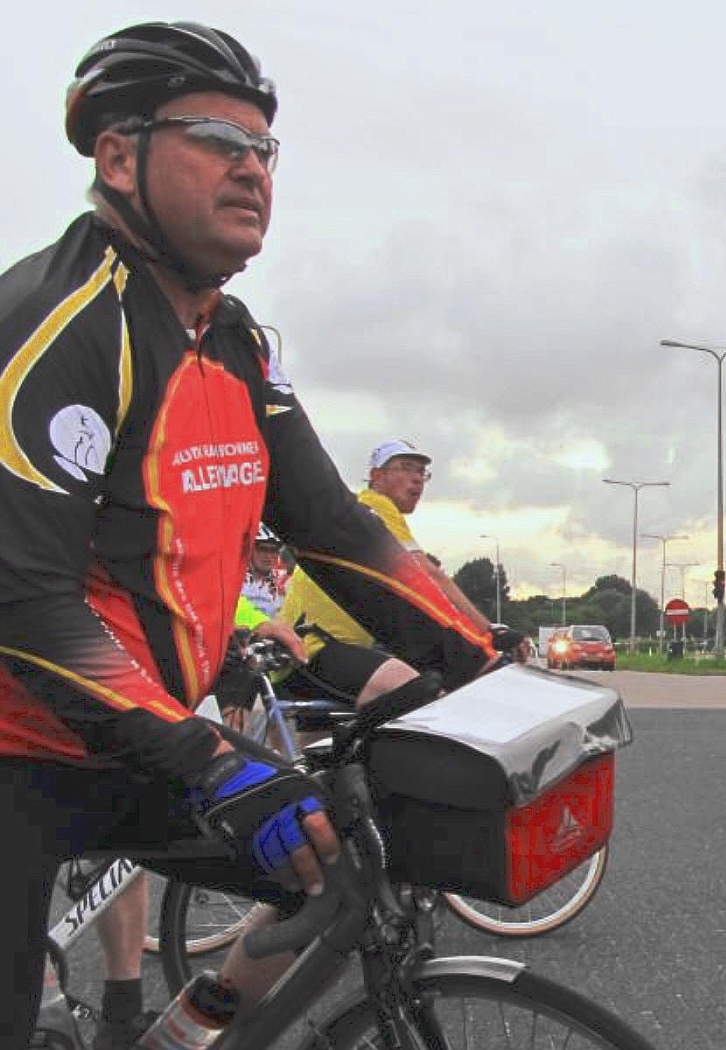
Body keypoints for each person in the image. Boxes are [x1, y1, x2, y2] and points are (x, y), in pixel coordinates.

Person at [0, 22, 496, 1049]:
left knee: (343, 862)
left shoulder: (236, 343)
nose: (250, 167)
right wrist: (215, 764)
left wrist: (487, 663)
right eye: (215, 137)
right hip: (13, 753)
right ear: (118, 156)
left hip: (130, 741)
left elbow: (339, 532)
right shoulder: (62, 327)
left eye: (263, 148)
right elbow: (28, 604)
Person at [278, 439, 496, 689]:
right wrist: (489, 632)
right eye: (405, 467)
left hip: (306, 650)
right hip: (314, 648)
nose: (417, 478)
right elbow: (428, 576)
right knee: (419, 689)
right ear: (376, 476)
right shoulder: (375, 506)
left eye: (421, 472)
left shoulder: (363, 509)